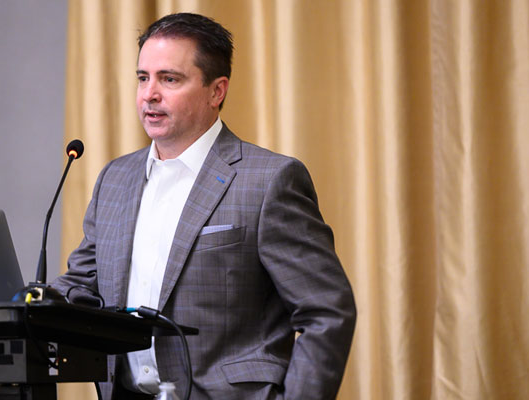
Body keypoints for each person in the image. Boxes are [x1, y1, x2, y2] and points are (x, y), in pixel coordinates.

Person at [52, 12, 356, 400]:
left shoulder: (268, 180)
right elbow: (83, 285)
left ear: (217, 91)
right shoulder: (116, 179)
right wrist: (20, 303)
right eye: (143, 78)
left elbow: (327, 311)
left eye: (169, 79)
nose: (149, 94)